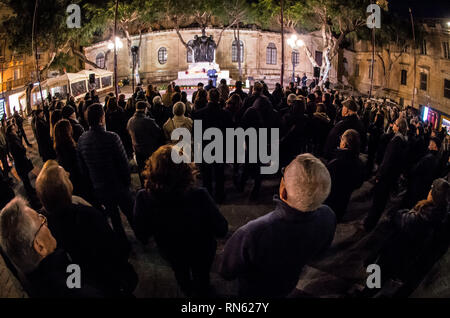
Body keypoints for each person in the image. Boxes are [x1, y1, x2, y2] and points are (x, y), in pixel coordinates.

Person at [219, 154, 336, 297]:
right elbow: (321, 251)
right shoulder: (328, 216)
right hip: (288, 283)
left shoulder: (253, 233)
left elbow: (227, 271)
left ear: (283, 190)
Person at [133, 145, 228, 296]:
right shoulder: (199, 195)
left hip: (171, 250)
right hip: (201, 250)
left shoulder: (143, 198)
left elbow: (142, 233)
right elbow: (222, 228)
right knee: (201, 277)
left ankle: (187, 290)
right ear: (185, 168)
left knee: (180, 273)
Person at [35, 161, 138, 297]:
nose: (69, 174)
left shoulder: (47, 222)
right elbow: (110, 246)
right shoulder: (86, 216)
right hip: (105, 280)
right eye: (65, 177)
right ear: (62, 189)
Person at [0, 197, 106, 297]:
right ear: (40, 246)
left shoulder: (33, 280)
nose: (46, 221)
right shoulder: (79, 292)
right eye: (41, 220)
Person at [77, 104, 134, 244]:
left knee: (114, 218)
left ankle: (122, 242)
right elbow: (124, 163)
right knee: (130, 212)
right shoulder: (112, 137)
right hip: (118, 185)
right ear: (102, 118)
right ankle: (142, 235)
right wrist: (127, 183)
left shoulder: (82, 140)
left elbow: (83, 168)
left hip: (100, 187)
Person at [364, 118, 409, 231]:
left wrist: (379, 176)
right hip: (391, 177)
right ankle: (371, 222)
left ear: (398, 127)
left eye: (394, 124)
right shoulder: (403, 140)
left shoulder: (396, 141)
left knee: (377, 202)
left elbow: (387, 160)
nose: (392, 125)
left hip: (385, 177)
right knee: (381, 202)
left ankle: (369, 224)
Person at [193, 89, 233, 203]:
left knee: (207, 176)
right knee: (220, 174)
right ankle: (220, 196)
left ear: (208, 98)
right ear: (219, 98)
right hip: (220, 147)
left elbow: (196, 134)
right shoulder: (226, 114)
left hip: (206, 147)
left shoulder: (199, 114)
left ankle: (208, 197)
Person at [325, 129, 365, 222]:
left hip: (329, 202)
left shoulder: (335, 163)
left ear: (344, 144)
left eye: (341, 139)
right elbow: (358, 184)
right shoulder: (360, 164)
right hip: (344, 202)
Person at [127, 101, 164, 187]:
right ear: (145, 109)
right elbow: (158, 132)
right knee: (151, 171)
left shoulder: (130, 121)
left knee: (141, 171)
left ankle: (144, 187)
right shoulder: (148, 121)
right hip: (149, 151)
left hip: (137, 151)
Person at [403, 137, 442, 208]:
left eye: (432, 143)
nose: (429, 144)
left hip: (417, 186)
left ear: (435, 147)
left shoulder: (429, 158)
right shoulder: (435, 158)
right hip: (422, 188)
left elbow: (417, 169)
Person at [6, 123, 35, 198]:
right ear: (11, 131)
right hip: (20, 162)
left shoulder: (13, 138)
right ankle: (31, 196)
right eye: (14, 127)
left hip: (20, 161)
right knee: (25, 179)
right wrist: (24, 148)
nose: (16, 128)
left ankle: (31, 190)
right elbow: (20, 149)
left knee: (26, 179)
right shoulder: (13, 141)